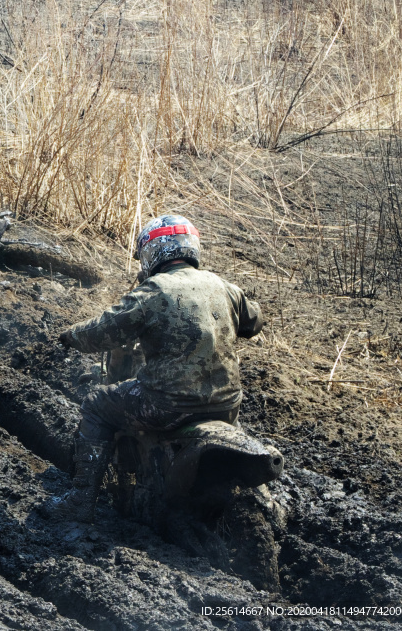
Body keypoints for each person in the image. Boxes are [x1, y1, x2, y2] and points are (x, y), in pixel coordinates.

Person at [52, 214, 264, 521]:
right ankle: (264, 503)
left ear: (151, 252)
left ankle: (80, 501)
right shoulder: (225, 287)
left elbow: (104, 331)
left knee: (96, 404)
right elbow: (253, 322)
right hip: (225, 406)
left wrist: (70, 335)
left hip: (165, 405)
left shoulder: (153, 291)